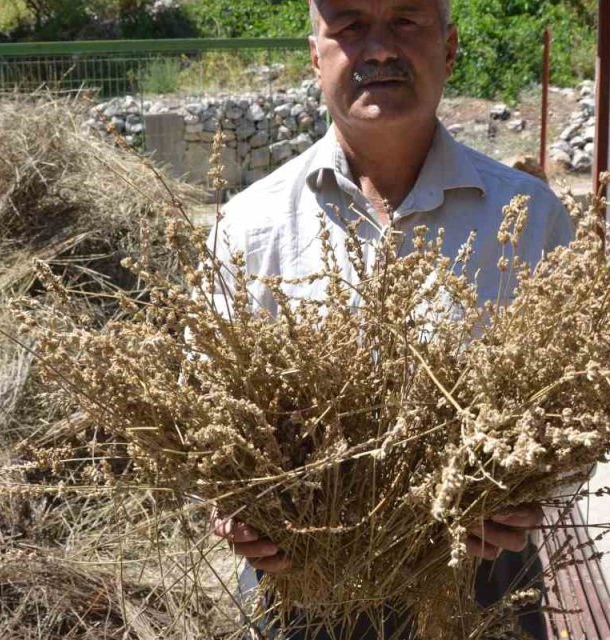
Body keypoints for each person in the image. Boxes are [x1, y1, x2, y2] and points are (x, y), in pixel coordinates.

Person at [208, 1, 575, 637]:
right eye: (349, 26)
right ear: (314, 55)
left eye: (406, 21)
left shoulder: (532, 217)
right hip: (301, 589)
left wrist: (539, 487)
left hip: (481, 585)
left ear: (451, 47)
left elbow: (579, 404)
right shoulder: (247, 227)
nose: (378, 49)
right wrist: (227, 504)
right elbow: (203, 419)